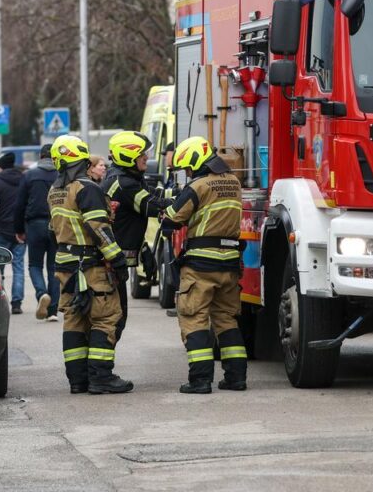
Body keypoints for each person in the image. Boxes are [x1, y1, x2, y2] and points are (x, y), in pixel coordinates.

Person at [159, 136, 246, 394]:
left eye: (188, 168)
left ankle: (200, 380)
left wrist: (167, 213)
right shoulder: (233, 182)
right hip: (229, 264)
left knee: (194, 319)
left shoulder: (198, 185)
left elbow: (174, 217)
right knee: (227, 320)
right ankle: (236, 378)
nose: (188, 173)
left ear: (196, 161)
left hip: (201, 265)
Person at [48, 134, 133, 395]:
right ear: (83, 161)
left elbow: (54, 229)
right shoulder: (88, 188)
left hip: (66, 265)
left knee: (74, 319)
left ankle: (78, 380)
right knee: (105, 318)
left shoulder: (55, 191)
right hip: (90, 265)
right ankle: (101, 377)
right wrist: (117, 259)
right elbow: (99, 228)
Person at [99, 131, 172, 341]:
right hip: (110, 263)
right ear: (127, 155)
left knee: (115, 317)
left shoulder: (127, 178)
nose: (147, 158)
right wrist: (191, 198)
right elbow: (152, 205)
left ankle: (99, 370)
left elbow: (154, 195)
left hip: (113, 263)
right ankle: (100, 371)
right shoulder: (125, 184)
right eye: (143, 154)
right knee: (114, 318)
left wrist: (181, 192)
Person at [16, 145, 59, 321]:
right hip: (56, 225)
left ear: (40, 156)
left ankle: (42, 294)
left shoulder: (29, 175)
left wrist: (18, 229)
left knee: (35, 265)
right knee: (54, 267)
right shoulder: (61, 175)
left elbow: (19, 205)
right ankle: (53, 311)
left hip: (34, 225)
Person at [0, 151, 26, 314]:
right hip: (20, 230)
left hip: (1, 230)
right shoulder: (24, 180)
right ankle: (16, 303)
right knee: (18, 267)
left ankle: (0, 301)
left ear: (1, 166)